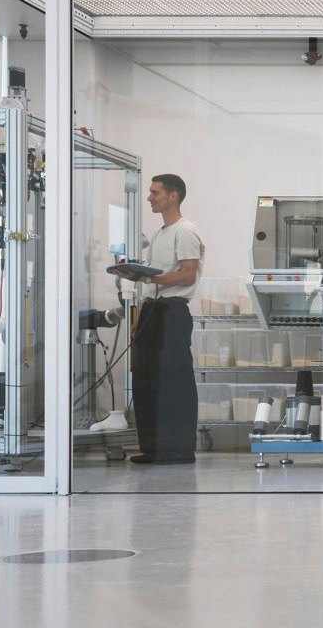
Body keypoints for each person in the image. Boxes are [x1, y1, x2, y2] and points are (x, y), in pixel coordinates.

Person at [113, 173, 204, 465]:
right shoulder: (159, 234)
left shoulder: (185, 231)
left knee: (173, 381)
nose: (149, 197)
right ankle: (153, 448)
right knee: (145, 379)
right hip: (152, 309)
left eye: (155, 193)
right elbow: (153, 281)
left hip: (172, 312)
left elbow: (187, 275)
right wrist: (140, 312)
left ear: (172, 196)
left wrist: (146, 278)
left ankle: (179, 450)